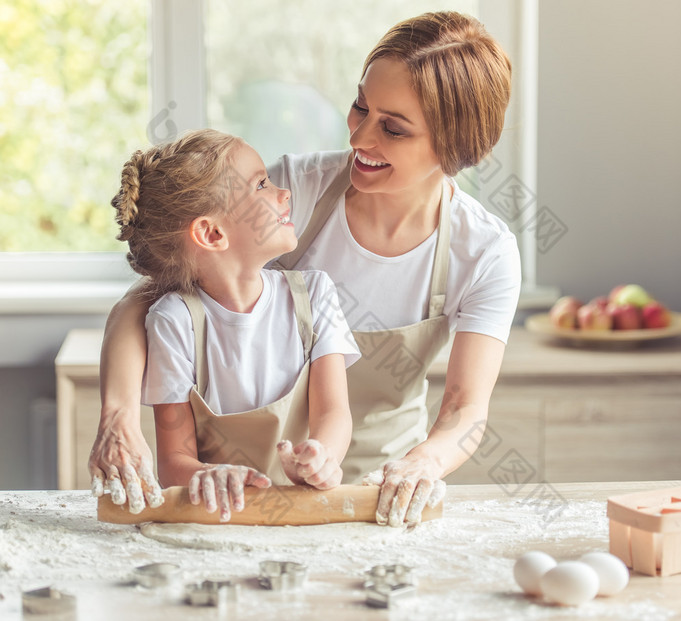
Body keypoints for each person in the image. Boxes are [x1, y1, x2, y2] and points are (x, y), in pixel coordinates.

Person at [90, 11, 521, 527]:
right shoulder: (300, 190)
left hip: (378, 494)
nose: (360, 138)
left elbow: (464, 410)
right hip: (263, 491)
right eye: (360, 106)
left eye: (393, 128)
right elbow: (150, 295)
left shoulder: (484, 253)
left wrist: (423, 463)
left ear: (455, 147)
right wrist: (118, 413)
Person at [100, 129, 359, 521]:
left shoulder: (314, 295)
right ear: (212, 233)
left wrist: (323, 455)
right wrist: (208, 475)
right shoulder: (174, 321)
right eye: (261, 184)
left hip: (306, 514)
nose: (283, 192)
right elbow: (174, 460)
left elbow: (334, 413)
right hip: (220, 519)